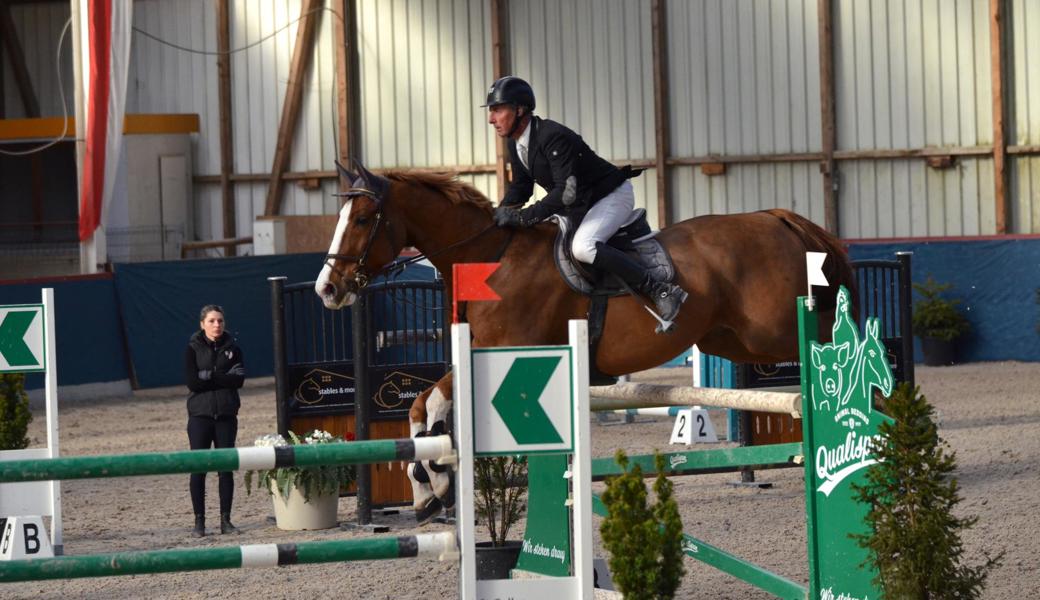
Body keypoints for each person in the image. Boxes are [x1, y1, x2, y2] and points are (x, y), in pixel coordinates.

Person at [483, 75, 688, 324]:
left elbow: (565, 193)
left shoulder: (552, 136)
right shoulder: (517, 144)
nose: (491, 119)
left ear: (519, 109)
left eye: (497, 110)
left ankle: (660, 290)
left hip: (610, 196)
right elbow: (521, 187)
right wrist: (496, 216)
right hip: (581, 204)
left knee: (583, 247)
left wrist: (523, 217)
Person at [184, 304, 246, 537]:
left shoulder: (234, 349)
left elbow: (238, 380)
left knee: (225, 470)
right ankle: (199, 521)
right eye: (211, 321)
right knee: (198, 469)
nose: (216, 325)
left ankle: (225, 520)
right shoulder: (192, 349)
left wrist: (208, 376)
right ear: (202, 324)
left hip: (226, 416)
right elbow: (193, 383)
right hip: (200, 416)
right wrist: (222, 377)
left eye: (220, 320)